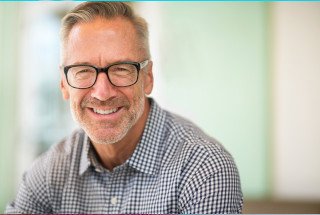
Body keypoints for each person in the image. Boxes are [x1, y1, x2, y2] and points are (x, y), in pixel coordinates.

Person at [6, 2, 243, 214]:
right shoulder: (48, 173)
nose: (102, 92)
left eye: (121, 69)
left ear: (148, 77)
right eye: (83, 71)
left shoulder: (205, 168)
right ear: (64, 84)